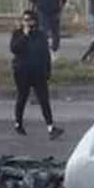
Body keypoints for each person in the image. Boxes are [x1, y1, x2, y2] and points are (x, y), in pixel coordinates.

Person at [9, 10, 64, 140]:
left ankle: (51, 127)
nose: (27, 23)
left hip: (38, 72)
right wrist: (25, 36)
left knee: (44, 100)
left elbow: (45, 54)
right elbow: (14, 49)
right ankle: (18, 123)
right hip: (22, 72)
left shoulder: (41, 35)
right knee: (22, 97)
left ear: (35, 21)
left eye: (29, 20)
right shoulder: (18, 34)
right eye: (24, 20)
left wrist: (47, 71)